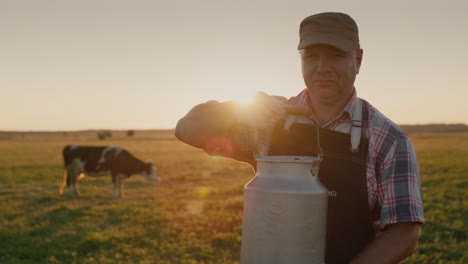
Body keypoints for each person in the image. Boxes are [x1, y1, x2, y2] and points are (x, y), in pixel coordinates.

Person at [175, 12, 424, 264]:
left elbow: (405, 234)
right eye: (311, 56)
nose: (322, 67)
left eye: (335, 55)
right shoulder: (270, 122)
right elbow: (187, 130)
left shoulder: (389, 140)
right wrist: (236, 109)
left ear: (357, 60)